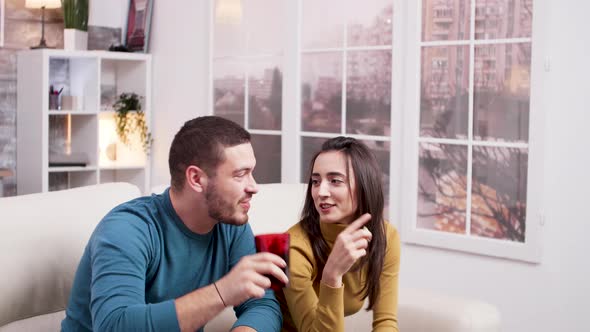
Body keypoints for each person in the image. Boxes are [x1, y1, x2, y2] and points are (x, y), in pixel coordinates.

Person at [61, 116, 288, 332]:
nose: (254, 186)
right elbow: (114, 325)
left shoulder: (230, 226)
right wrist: (222, 293)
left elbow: (261, 305)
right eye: (240, 175)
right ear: (197, 179)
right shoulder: (127, 229)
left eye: (252, 172)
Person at [277, 136, 400, 331]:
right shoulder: (292, 248)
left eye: (335, 181)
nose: (320, 192)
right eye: (315, 182)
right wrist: (332, 275)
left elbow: (386, 323)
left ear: (364, 186)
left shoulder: (386, 237)